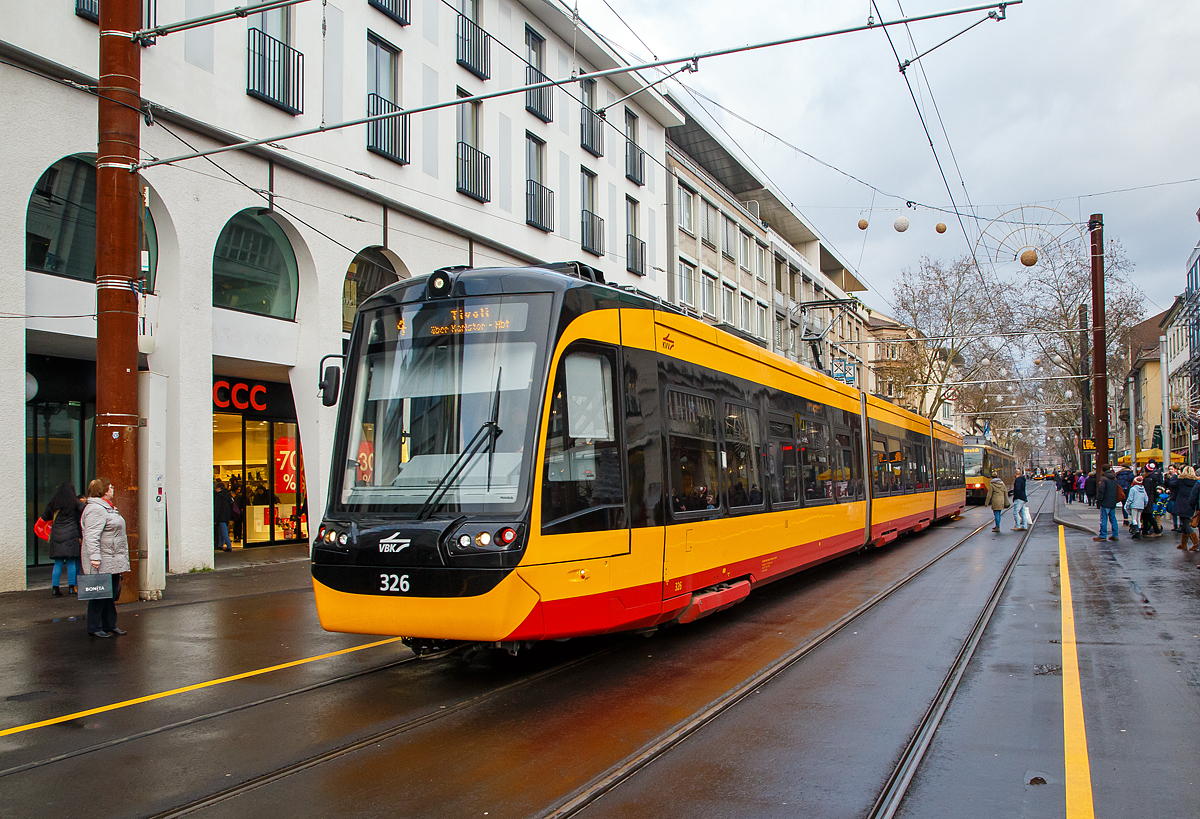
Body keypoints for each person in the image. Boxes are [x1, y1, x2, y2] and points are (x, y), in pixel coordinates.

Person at [80, 478, 131, 638]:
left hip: (112, 559)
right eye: (110, 487)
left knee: (110, 594)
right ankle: (95, 627)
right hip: (102, 559)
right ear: (103, 490)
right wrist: (94, 558)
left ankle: (110, 625)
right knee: (99, 594)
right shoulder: (96, 509)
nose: (113, 489)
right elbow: (91, 535)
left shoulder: (109, 508)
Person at [41, 482, 84, 597]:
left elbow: (45, 517)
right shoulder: (74, 502)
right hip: (71, 535)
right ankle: (71, 588)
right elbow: (84, 510)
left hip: (56, 535)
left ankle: (55, 589)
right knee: (70, 562)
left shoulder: (53, 503)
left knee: (58, 563)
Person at [1174, 466, 1199, 551]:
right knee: (1185, 523)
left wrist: (1174, 475)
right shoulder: (1196, 481)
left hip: (1182, 504)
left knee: (1186, 524)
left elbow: (1171, 483)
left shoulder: (1180, 481)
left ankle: (1196, 543)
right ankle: (1183, 544)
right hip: (1191, 504)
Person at [1094, 464, 1119, 542]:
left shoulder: (1103, 479)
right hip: (1112, 501)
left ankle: (1103, 535)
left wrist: (1099, 500)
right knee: (1113, 518)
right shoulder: (1114, 478)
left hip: (1105, 501)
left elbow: (1101, 491)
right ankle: (1115, 534)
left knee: (1103, 518)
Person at [1141, 462, 1164, 537]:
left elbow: (1147, 490)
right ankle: (1145, 531)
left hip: (1147, 498)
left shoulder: (1147, 479)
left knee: (1148, 515)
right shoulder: (1153, 478)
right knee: (1145, 515)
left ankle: (1156, 530)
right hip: (1151, 498)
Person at [214, 481, 234, 552]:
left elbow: (218, 508)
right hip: (227, 515)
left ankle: (228, 546)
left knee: (223, 531)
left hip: (221, 516)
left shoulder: (219, 496)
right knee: (222, 531)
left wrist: (215, 518)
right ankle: (220, 544)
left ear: (219, 488)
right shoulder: (228, 495)